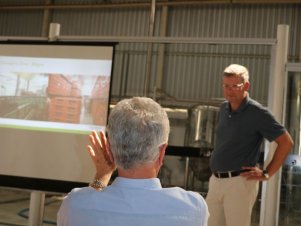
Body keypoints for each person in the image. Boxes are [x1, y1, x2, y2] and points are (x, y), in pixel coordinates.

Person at [57, 97, 209, 226]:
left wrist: (102, 175)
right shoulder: (193, 208)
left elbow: (89, 201)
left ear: (110, 150)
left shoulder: (74, 206)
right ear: (162, 152)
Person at [206, 64, 294, 226]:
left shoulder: (258, 113)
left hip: (239, 183)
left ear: (246, 86)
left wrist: (266, 173)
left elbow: (286, 142)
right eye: (226, 86)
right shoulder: (224, 108)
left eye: (235, 86)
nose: (229, 90)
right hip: (215, 181)